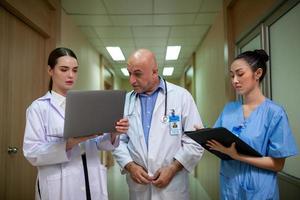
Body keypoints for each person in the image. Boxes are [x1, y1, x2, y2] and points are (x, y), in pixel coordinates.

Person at [23, 47, 129, 200]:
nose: (71, 75)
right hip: (60, 186)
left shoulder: (86, 104)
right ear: (50, 70)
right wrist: (69, 144)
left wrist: (114, 132)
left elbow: (99, 143)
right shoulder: (39, 108)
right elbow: (32, 153)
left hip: (90, 180)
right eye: (64, 69)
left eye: (75, 70)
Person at [112, 49, 204, 200]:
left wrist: (173, 168)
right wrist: (130, 166)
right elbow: (117, 140)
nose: (131, 80)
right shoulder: (125, 101)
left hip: (173, 187)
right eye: (129, 73)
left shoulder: (182, 97)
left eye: (138, 74)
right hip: (138, 187)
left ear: (154, 72)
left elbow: (195, 141)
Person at [207, 49, 298, 199]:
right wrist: (204, 134)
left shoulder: (274, 113)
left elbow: (278, 164)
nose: (234, 80)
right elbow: (219, 143)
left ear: (258, 73)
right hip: (230, 188)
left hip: (259, 191)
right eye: (232, 75)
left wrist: (238, 156)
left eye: (240, 74)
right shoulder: (229, 109)